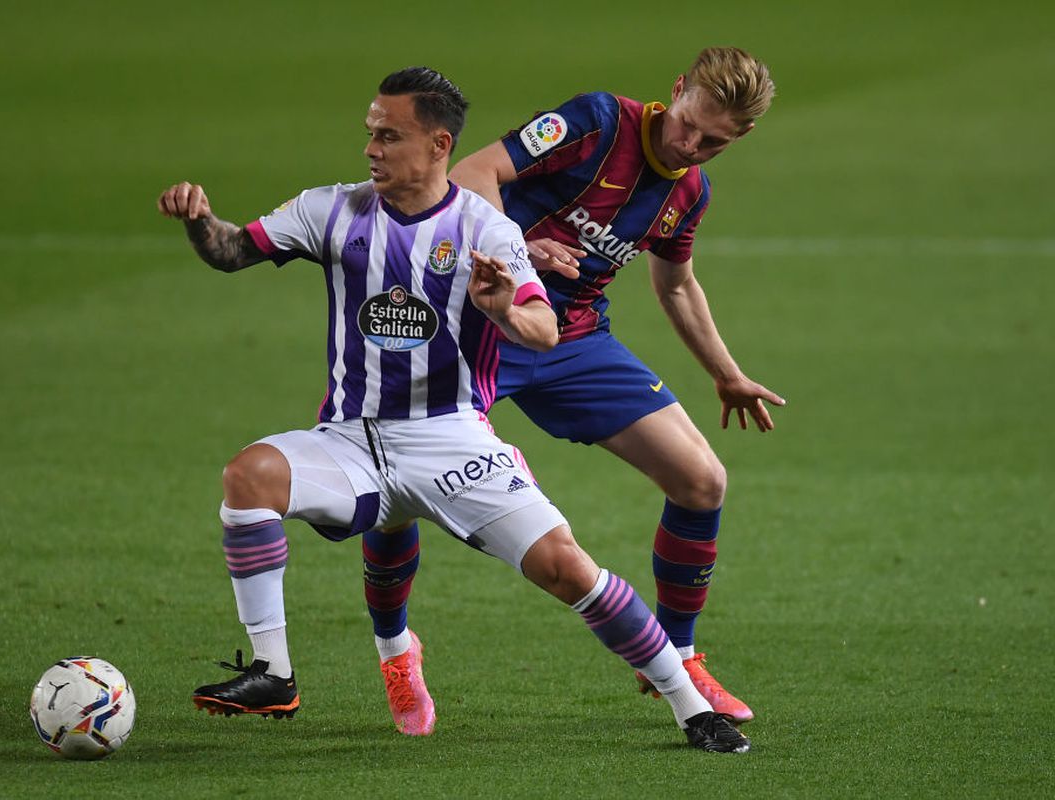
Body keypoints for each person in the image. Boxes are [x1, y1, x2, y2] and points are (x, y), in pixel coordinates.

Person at [157, 66, 750, 753]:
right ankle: (278, 671)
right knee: (248, 476)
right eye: (370, 134)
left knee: (568, 567)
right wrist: (201, 222)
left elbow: (543, 328)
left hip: (452, 439)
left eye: (389, 136)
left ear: (438, 145)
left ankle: (686, 701)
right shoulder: (330, 209)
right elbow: (233, 252)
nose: (372, 149)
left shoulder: (489, 231)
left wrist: (503, 306)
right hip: (353, 440)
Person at [362, 47, 783, 725]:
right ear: (676, 90)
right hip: (479, 319)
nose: (691, 144)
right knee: (397, 494)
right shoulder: (595, 121)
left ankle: (679, 657)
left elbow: (675, 284)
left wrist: (725, 373)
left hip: (575, 339)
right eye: (688, 124)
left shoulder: (688, 192)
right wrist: (520, 248)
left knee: (703, 479)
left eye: (714, 141)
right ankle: (396, 649)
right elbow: (473, 174)